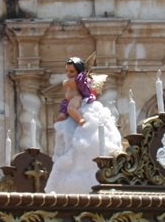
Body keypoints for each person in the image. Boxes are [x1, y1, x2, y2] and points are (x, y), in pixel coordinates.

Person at [45, 58, 122, 194]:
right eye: (67, 71)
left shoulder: (77, 81)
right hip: (72, 107)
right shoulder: (75, 80)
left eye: (71, 71)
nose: (69, 73)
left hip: (78, 103)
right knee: (65, 112)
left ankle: (80, 119)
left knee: (70, 109)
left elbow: (65, 83)